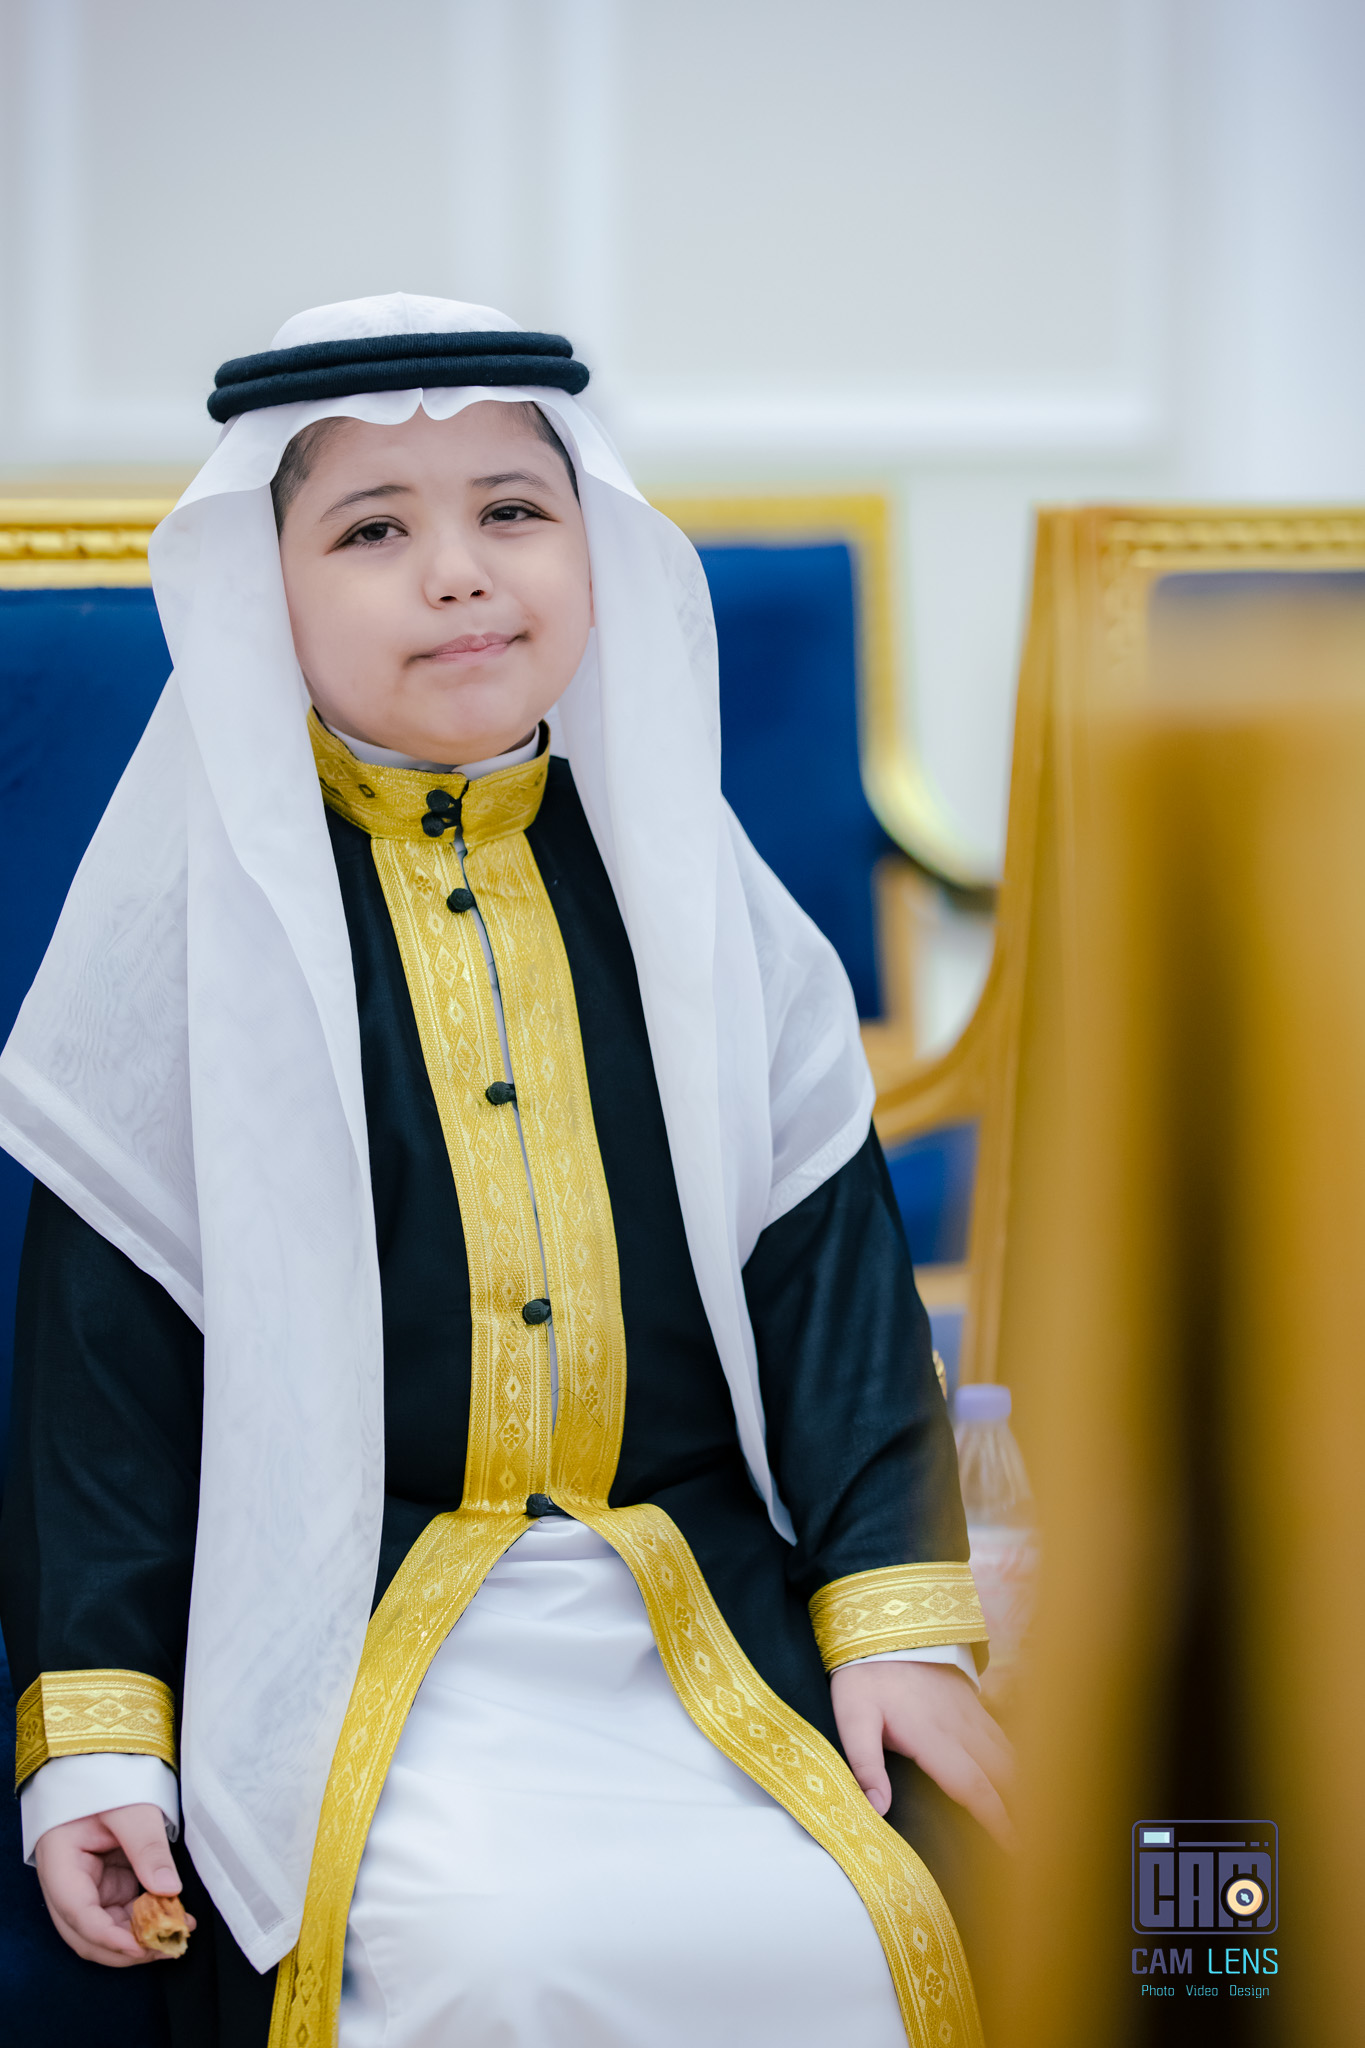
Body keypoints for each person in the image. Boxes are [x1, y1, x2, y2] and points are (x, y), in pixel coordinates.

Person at [0, 295, 1011, 2048]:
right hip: (344, 1626)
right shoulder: (197, 940)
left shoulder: (693, 896)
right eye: (373, 532)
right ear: (264, 594)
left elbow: (836, 1310)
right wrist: (96, 1740)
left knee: (846, 1935)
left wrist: (895, 1627)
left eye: (512, 510)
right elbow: (104, 1392)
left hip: (706, 1603)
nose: (458, 573)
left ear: (593, 550)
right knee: (504, 1961)